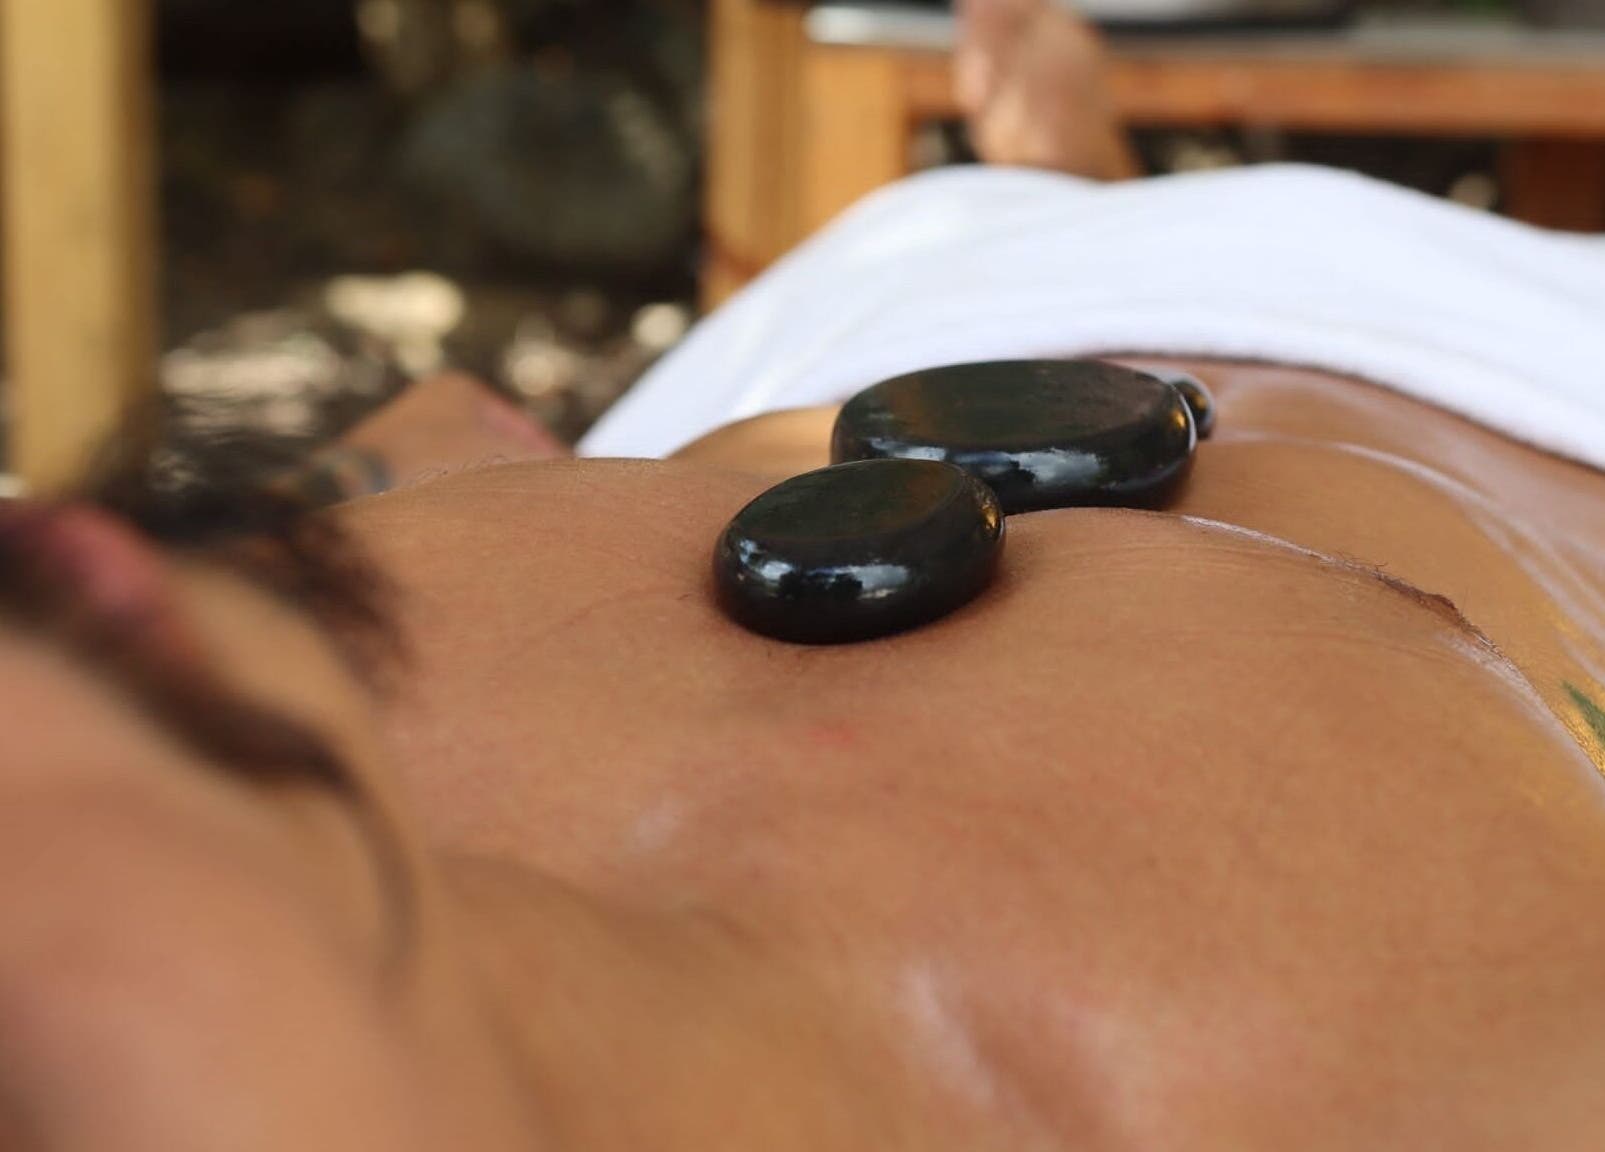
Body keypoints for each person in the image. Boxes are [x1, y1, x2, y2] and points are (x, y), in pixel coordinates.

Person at [3, 1, 1605, 1147]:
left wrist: (382, 469)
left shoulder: (213, 724)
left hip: (885, 317)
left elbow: (408, 440)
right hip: (1535, 370)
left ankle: (1062, 174)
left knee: (996, 219)